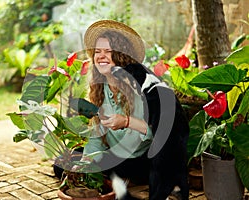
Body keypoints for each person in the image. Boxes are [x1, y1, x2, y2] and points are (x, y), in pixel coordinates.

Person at [79, 20, 190, 200]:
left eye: (108, 51)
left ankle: (121, 179)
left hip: (142, 158)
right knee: (66, 164)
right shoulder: (99, 90)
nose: (101, 56)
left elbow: (158, 134)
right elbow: (96, 135)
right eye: (97, 52)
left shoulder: (140, 86)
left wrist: (126, 121)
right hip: (115, 156)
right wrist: (86, 162)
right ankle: (114, 179)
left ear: (120, 56)